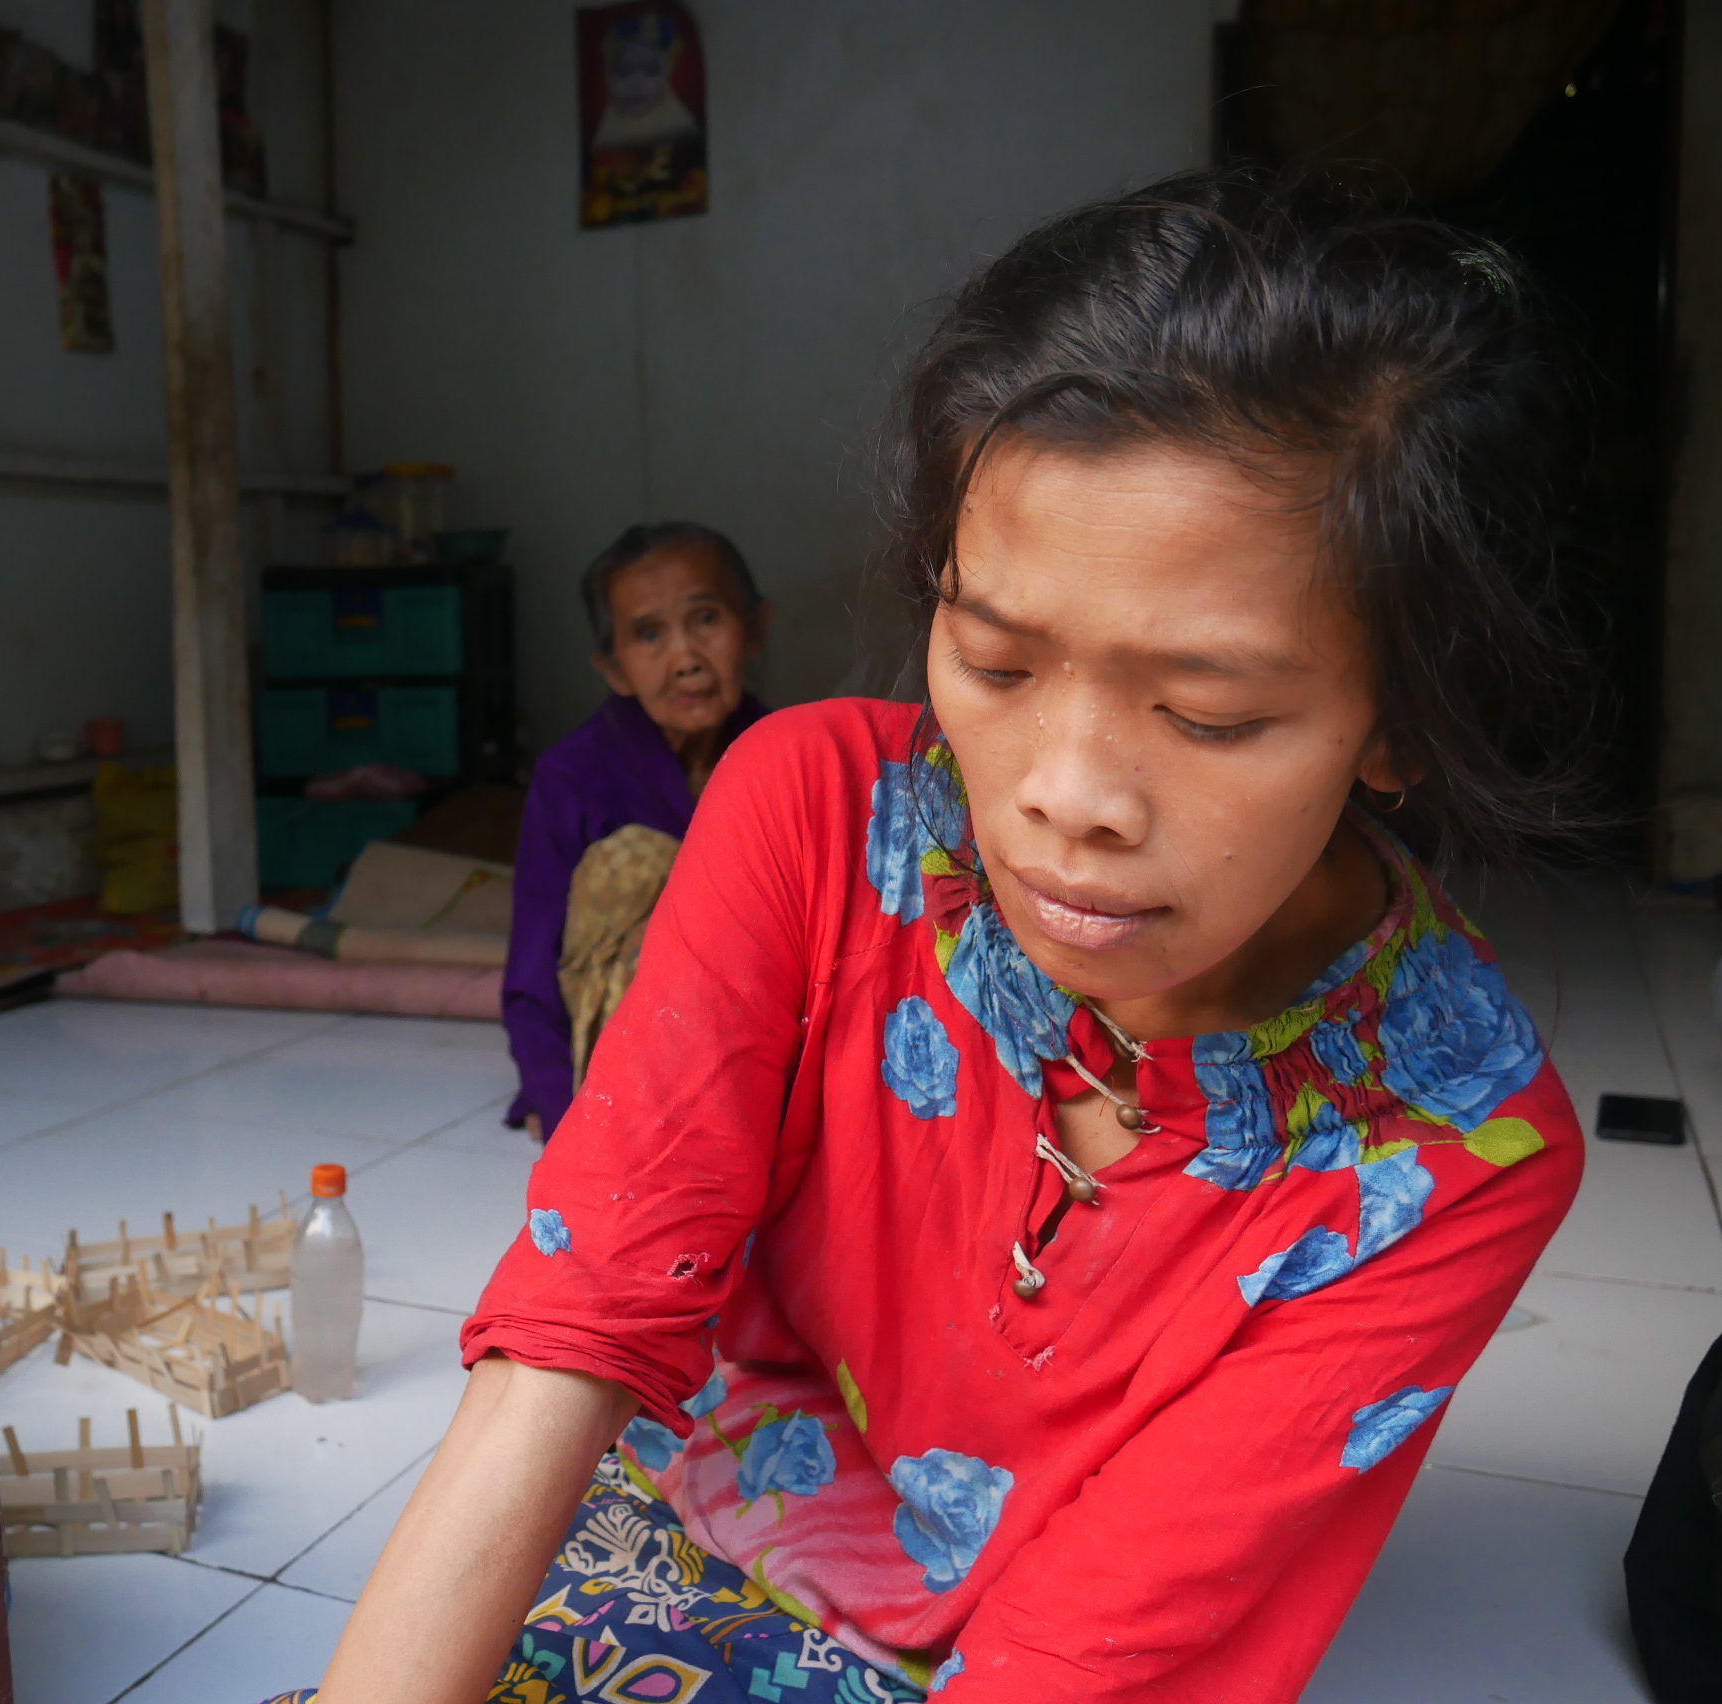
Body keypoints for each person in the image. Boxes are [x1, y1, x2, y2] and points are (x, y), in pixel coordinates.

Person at [286, 171, 1592, 1704]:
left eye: (1210, 715)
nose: (1065, 798)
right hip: (707, 1508)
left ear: (1403, 721)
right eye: (994, 661)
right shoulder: (817, 812)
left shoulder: (1457, 1151)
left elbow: (1090, 1649)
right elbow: (583, 1320)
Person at [503, 523, 770, 1143]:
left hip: (755, 1054)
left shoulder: (785, 756)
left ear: (756, 628)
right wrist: (561, 1109)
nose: (685, 658)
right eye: (649, 634)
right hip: (624, 1068)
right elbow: (533, 971)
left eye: (706, 619)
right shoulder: (571, 778)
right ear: (613, 668)